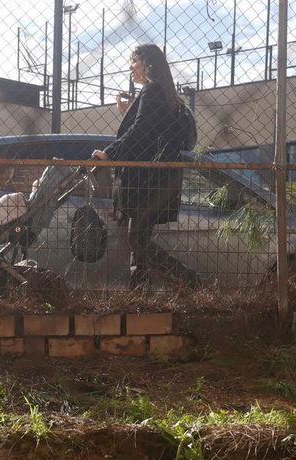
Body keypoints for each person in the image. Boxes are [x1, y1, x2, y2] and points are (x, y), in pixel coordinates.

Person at [91, 44, 195, 288]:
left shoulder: (152, 91)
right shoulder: (165, 93)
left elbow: (141, 132)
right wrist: (130, 111)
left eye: (134, 61)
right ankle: (142, 293)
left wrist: (109, 154)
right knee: (138, 241)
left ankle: (189, 281)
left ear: (147, 63)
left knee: (137, 240)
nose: (130, 66)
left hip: (147, 181)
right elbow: (151, 127)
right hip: (160, 179)